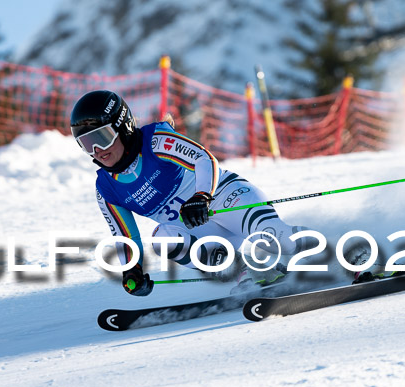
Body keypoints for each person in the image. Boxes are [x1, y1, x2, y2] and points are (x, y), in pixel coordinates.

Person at [70, 90, 307, 297]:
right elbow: (126, 237)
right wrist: (132, 270)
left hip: (226, 199)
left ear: (123, 127)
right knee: (163, 239)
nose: (97, 151)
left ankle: (338, 255)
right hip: (199, 229)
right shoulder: (106, 188)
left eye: (101, 138)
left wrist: (202, 195)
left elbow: (205, 159)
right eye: (86, 143)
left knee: (279, 240)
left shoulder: (155, 141)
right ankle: (247, 269)